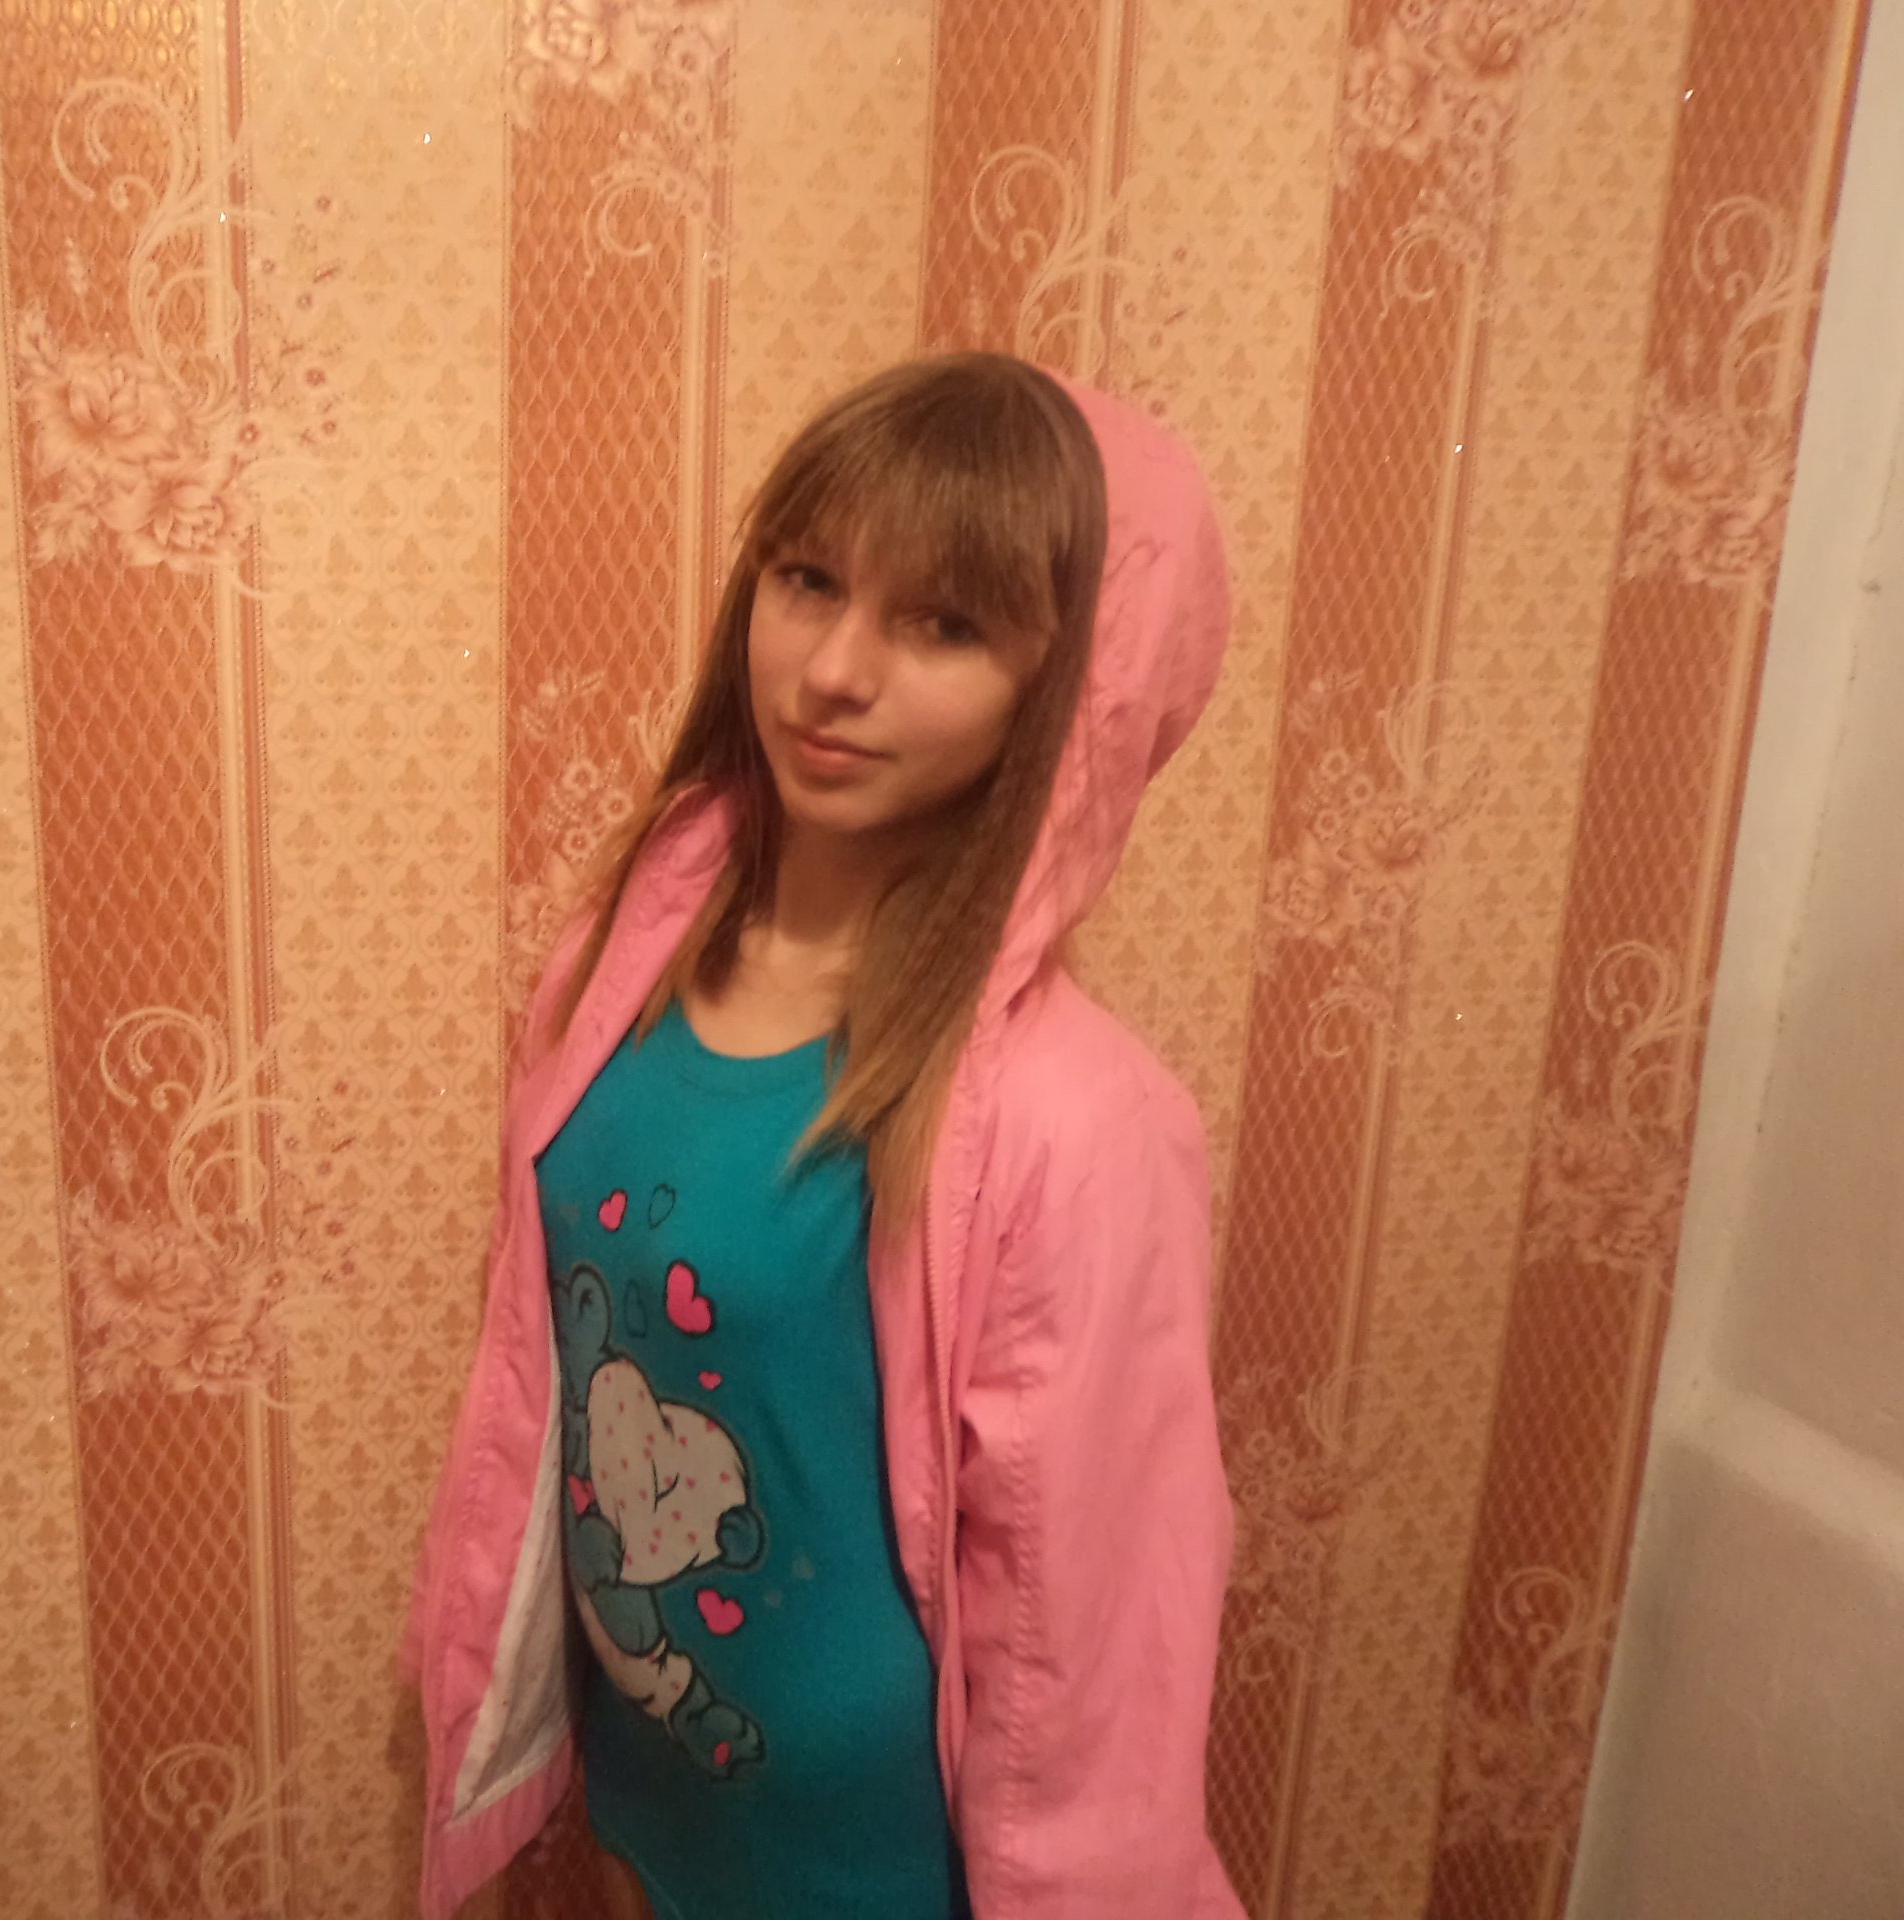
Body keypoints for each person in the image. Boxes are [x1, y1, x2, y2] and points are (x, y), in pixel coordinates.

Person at [399, 352, 1246, 1920]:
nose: (835, 672)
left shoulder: (1078, 1124)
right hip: (651, 1800)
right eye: (809, 580)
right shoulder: (616, 964)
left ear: (1068, 692)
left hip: (876, 1871)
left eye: (945, 624)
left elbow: (1092, 1652)